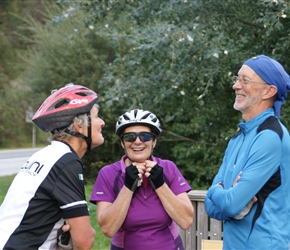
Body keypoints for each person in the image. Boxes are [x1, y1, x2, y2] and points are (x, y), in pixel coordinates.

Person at [0, 84, 105, 250]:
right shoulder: (67, 163)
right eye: (97, 117)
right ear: (79, 125)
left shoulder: (46, 155)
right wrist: (87, 232)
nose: (102, 123)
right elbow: (84, 241)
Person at [205, 55, 290, 249]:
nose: (236, 85)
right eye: (237, 78)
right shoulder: (237, 139)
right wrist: (227, 199)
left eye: (245, 80)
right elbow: (211, 207)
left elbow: (231, 203)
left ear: (269, 91)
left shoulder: (270, 137)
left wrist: (216, 191)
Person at [90, 109, 193, 250]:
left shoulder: (168, 168)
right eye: (129, 137)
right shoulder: (108, 173)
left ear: (154, 141)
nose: (137, 142)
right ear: (122, 143)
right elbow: (108, 229)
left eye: (145, 136)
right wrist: (128, 187)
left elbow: (186, 220)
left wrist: (160, 184)